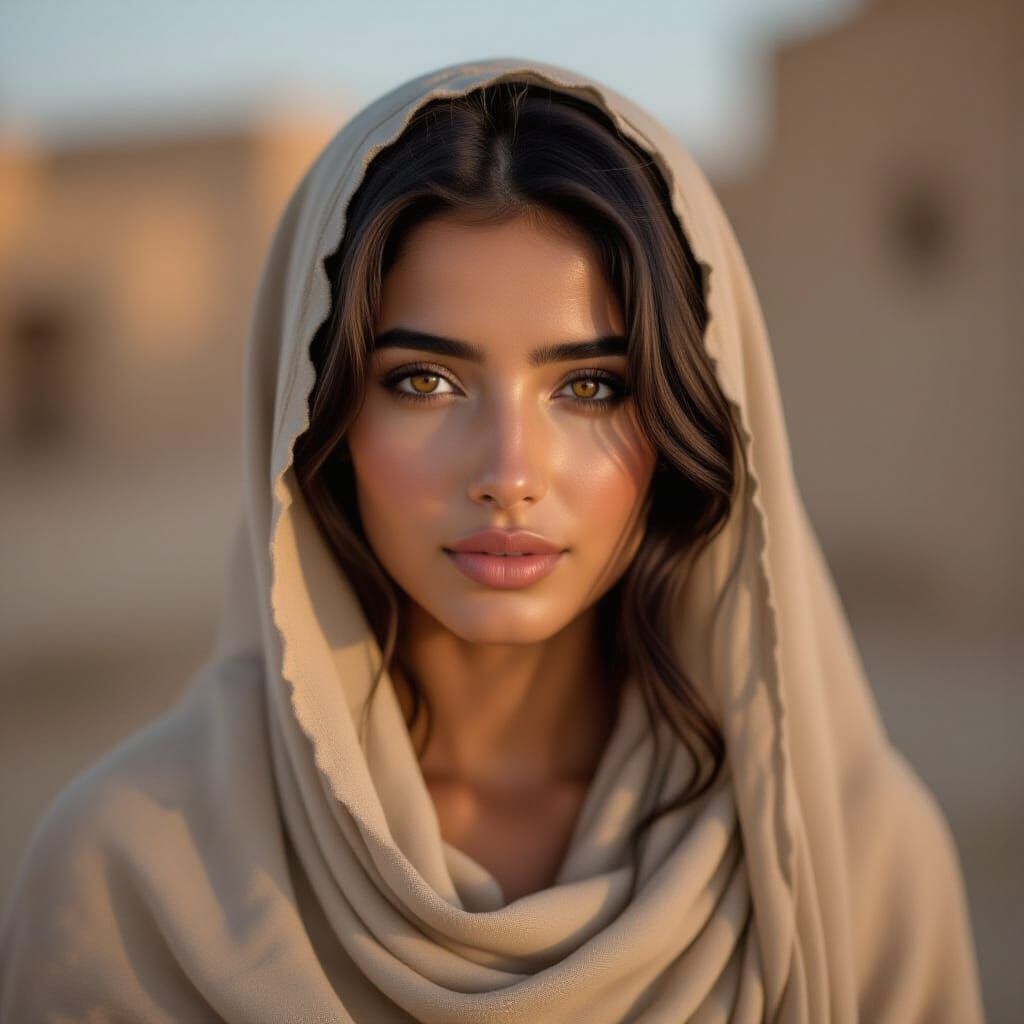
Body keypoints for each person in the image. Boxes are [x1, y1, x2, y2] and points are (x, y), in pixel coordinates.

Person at [0, 57, 985, 1023]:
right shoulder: (125, 877)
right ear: (316, 423)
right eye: (425, 381)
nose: (509, 469)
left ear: (689, 423)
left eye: (589, 385)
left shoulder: (856, 866)